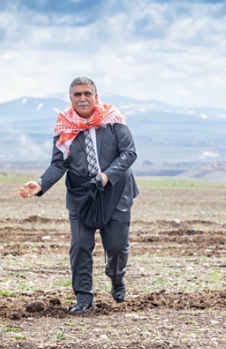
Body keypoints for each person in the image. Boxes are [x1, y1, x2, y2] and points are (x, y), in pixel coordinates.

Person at [19, 77, 138, 312]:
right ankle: (84, 297)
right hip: (82, 194)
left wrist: (106, 175)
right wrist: (41, 183)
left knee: (116, 246)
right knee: (80, 246)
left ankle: (116, 277)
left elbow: (129, 153)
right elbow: (58, 164)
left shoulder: (113, 120)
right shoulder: (64, 126)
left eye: (87, 93)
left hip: (115, 190)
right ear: (71, 98)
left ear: (96, 96)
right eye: (77, 94)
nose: (82, 98)